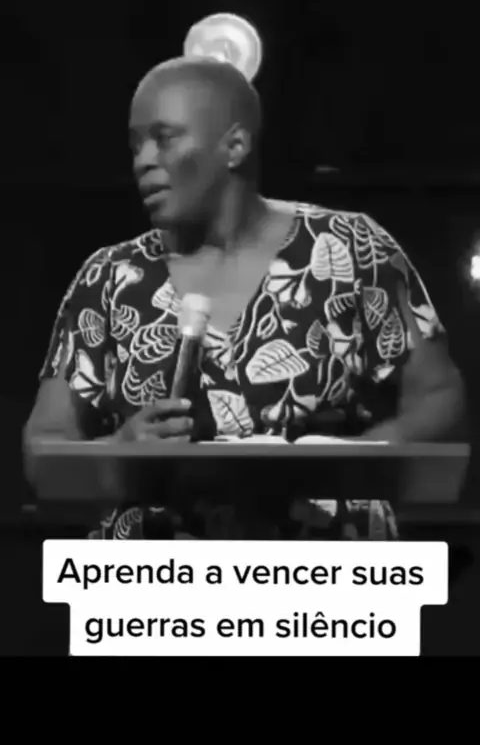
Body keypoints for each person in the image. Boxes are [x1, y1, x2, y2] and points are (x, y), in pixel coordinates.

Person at [23, 56, 466, 540]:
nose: (143, 160)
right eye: (135, 146)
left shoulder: (349, 247)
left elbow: (438, 398)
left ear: (234, 146)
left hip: (328, 575)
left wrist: (355, 459)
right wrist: (119, 453)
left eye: (163, 138)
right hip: (157, 578)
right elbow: (44, 447)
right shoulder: (111, 277)